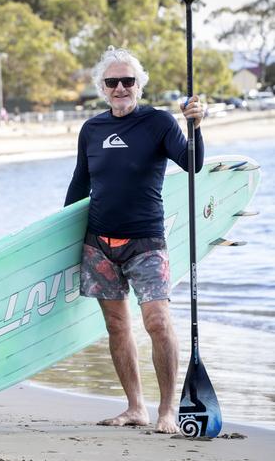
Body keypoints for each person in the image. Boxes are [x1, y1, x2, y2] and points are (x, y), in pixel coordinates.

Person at [64, 46, 205, 434]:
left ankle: (165, 411)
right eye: (113, 82)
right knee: (117, 326)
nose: (121, 87)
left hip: (146, 241)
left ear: (140, 85)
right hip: (99, 244)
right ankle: (134, 407)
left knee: (158, 322)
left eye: (128, 81)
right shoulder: (91, 129)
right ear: (103, 88)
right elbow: (80, 184)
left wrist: (194, 127)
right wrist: (60, 239)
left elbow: (192, 164)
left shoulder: (158, 123)